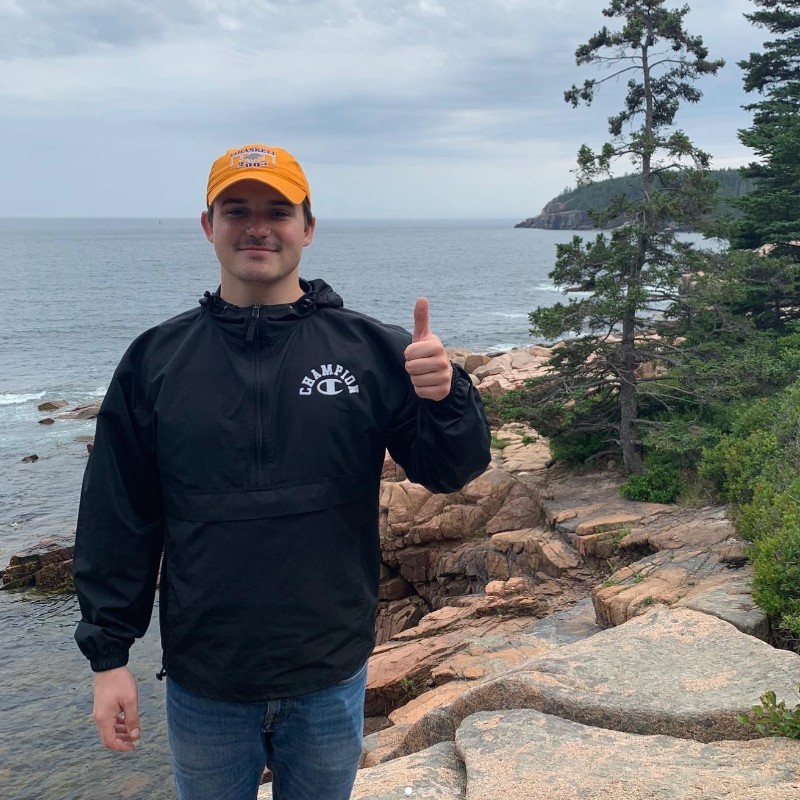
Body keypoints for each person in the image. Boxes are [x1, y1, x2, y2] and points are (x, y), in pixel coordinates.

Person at [73, 143, 492, 800]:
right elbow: (118, 515)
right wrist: (109, 658)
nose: (257, 227)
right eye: (237, 210)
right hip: (206, 682)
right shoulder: (156, 360)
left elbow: (450, 470)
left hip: (329, 672)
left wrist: (447, 398)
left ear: (308, 227)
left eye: (277, 211)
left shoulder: (368, 349)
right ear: (208, 225)